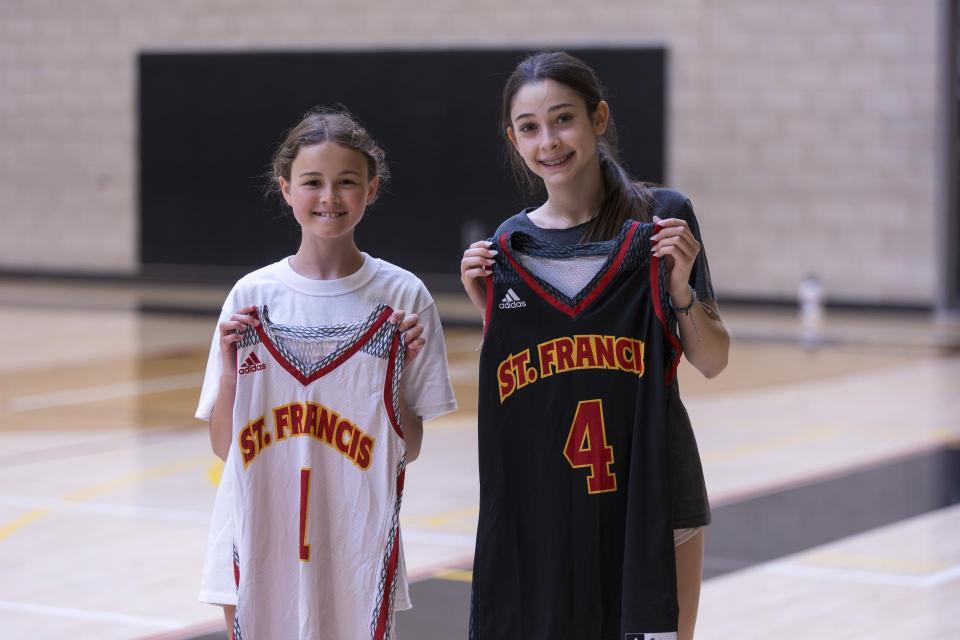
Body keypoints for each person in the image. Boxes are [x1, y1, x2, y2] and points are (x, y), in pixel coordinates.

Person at [460, 51, 729, 640]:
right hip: (556, 500)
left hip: (659, 491)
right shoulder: (513, 241)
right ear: (514, 138)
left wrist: (681, 287)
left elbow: (712, 360)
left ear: (598, 118)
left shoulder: (664, 218)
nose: (549, 141)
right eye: (529, 128)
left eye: (563, 120)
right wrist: (491, 309)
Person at [196, 107, 457, 639]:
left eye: (346, 183)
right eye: (312, 182)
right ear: (285, 187)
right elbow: (226, 446)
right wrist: (228, 373)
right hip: (253, 535)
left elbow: (407, 446)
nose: (329, 198)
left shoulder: (404, 299)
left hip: (352, 541)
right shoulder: (251, 298)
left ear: (372, 189)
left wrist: (395, 370)